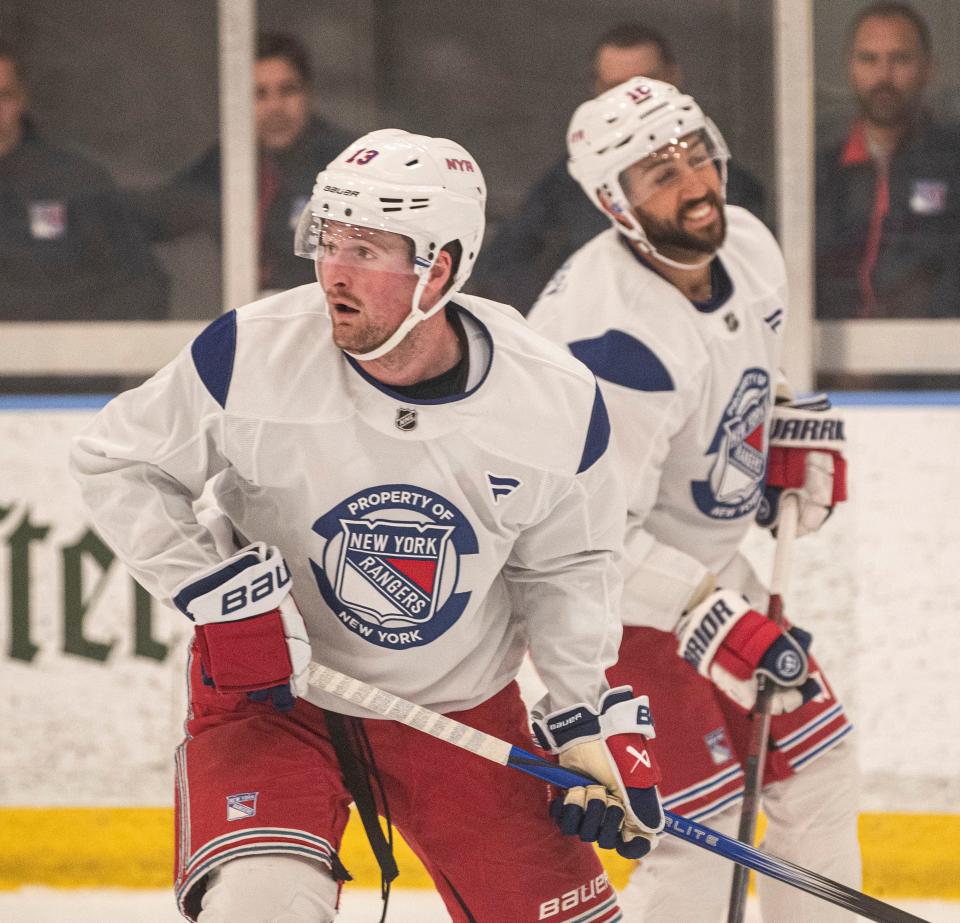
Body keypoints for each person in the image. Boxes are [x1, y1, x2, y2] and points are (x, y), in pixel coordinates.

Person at [70, 128, 666, 923]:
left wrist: (581, 718)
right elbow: (116, 459)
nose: (334, 273)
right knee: (259, 912)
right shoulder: (252, 351)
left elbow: (567, 570)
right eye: (328, 239)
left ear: (440, 268)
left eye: (368, 249)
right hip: (273, 699)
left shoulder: (552, 401)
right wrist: (216, 592)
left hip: (457, 709)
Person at [529, 78, 861, 921]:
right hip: (603, 610)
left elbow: (748, 365)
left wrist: (779, 423)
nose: (694, 183)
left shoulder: (747, 245)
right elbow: (583, 538)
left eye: (694, 155)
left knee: (817, 768)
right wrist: (708, 612)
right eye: (657, 174)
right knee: (699, 826)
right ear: (615, 202)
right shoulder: (610, 344)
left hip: (706, 577)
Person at [470, 22, 766, 314]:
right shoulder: (567, 185)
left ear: (673, 77)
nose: (632, 98)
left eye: (645, 83)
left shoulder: (734, 195)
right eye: (615, 88)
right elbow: (502, 264)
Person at [134, 32, 353, 293]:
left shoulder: (347, 162)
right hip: (255, 314)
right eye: (259, 94)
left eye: (288, 90)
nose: (275, 107)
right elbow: (159, 212)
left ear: (308, 93)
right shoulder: (228, 161)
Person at [0, 41, 168, 320]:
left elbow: (141, 284)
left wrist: (86, 349)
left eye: (2, 96)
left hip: (56, 358)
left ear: (21, 99)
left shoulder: (72, 181)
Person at [817, 1, 960, 319]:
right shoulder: (822, 172)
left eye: (900, 59)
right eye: (869, 59)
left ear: (929, 68)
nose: (884, 76)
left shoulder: (951, 162)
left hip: (934, 360)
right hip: (828, 361)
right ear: (850, 68)